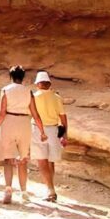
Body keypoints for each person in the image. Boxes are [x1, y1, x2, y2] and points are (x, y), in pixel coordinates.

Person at [0, 65, 47, 204]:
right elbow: (35, 114)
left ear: (11, 76)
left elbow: (2, 112)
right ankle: (23, 192)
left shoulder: (5, 90)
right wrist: (42, 131)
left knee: (8, 159)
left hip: (9, 123)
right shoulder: (29, 92)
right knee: (23, 159)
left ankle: (8, 189)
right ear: (23, 77)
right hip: (24, 123)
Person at [32, 71, 68, 202]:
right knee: (50, 161)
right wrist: (65, 134)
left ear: (38, 84)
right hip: (53, 130)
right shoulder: (57, 97)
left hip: (38, 130)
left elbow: (32, 115)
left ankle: (50, 190)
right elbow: (63, 117)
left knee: (42, 160)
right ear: (49, 84)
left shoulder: (34, 97)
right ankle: (50, 188)